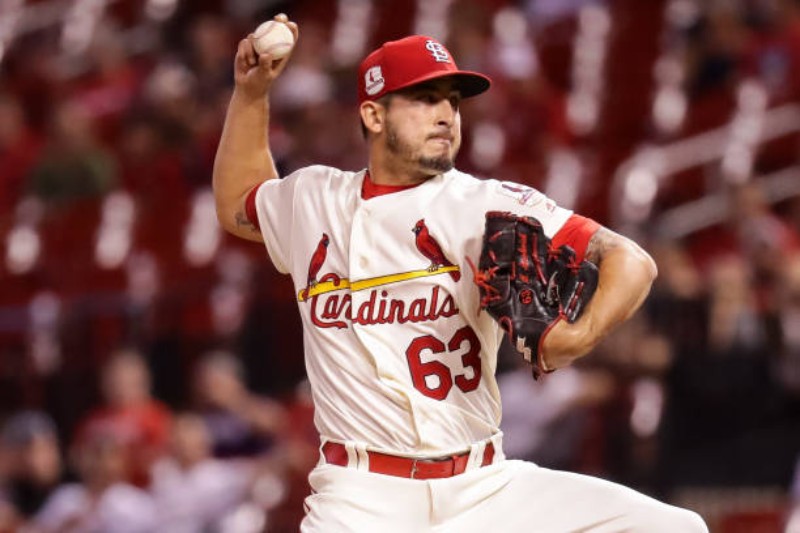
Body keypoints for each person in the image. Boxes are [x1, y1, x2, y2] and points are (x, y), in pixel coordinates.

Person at [213, 13, 709, 532]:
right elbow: (237, 203)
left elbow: (631, 261)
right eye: (425, 99)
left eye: (452, 101)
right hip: (360, 496)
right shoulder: (314, 198)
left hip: (481, 486)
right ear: (374, 115)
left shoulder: (486, 204)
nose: (446, 115)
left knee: (675, 528)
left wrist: (578, 336)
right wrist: (252, 94)